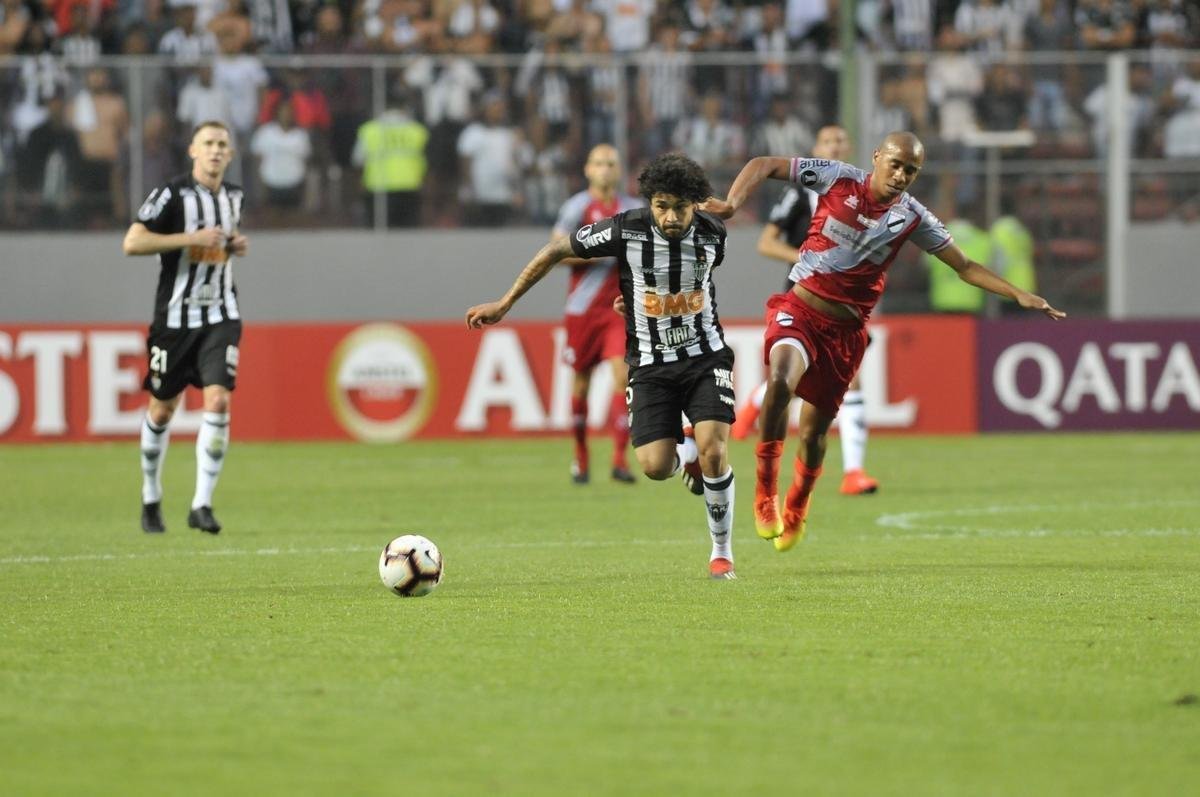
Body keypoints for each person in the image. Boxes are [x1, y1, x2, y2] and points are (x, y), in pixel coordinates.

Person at [703, 131, 1065, 552]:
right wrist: (731, 203)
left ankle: (798, 504)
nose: (901, 175)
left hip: (845, 332)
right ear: (877, 157)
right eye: (895, 164)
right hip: (799, 308)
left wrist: (1017, 294)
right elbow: (764, 164)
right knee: (781, 381)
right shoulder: (837, 177)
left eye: (911, 170)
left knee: (815, 435)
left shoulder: (912, 217)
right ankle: (766, 491)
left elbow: (964, 266)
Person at [467, 153, 739, 580]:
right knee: (654, 467)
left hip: (705, 355)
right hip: (650, 364)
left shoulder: (713, 234)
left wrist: (643, 302)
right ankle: (684, 453)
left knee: (715, 450)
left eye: (680, 207)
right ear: (650, 202)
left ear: (694, 205)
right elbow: (556, 249)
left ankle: (721, 553)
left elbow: (698, 287)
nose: (670, 217)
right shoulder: (625, 228)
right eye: (661, 206)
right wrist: (504, 303)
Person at [731, 124, 881, 497]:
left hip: (844, 302)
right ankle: (851, 470)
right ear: (815, 149)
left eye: (840, 141)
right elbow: (766, 242)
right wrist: (809, 257)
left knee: (839, 379)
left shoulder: (864, 196)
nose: (835, 146)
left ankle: (853, 472)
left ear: (849, 147)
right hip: (803, 295)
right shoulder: (800, 192)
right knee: (806, 380)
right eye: (828, 141)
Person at [122, 120, 249, 535]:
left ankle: (202, 504)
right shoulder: (171, 194)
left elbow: (219, 244)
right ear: (193, 150)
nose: (215, 150)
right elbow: (133, 242)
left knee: (219, 401)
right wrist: (188, 239)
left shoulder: (234, 196)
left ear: (230, 154)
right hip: (175, 321)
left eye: (222, 144)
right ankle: (150, 495)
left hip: (221, 315)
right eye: (208, 143)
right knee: (162, 409)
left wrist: (232, 245)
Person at [550, 144, 643, 485]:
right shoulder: (576, 207)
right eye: (599, 163)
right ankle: (581, 454)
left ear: (619, 171)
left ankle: (619, 459)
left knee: (623, 376)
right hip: (583, 309)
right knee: (581, 382)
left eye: (611, 164)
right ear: (588, 169)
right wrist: (599, 250)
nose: (605, 169)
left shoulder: (633, 209)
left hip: (618, 307)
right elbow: (555, 252)